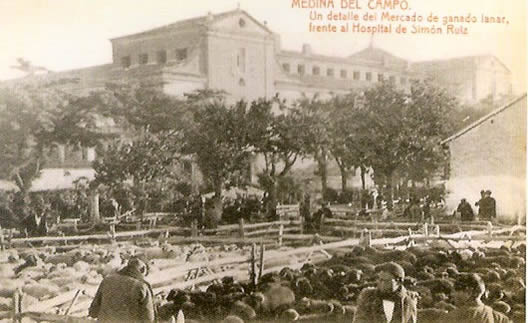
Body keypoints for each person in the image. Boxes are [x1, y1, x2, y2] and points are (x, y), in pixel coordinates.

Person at [89, 256, 156, 323]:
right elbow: (148, 318)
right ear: (143, 269)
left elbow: (93, 312)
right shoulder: (141, 286)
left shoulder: (107, 280)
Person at [353, 262, 418, 323]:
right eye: (380, 280)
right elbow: (359, 319)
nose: (381, 284)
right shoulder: (368, 297)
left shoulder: (408, 302)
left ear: (398, 282)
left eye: (386, 281)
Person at [441, 273, 510, 323]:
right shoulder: (500, 318)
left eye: (456, 290)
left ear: (469, 292)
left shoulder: (452, 317)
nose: (452, 294)